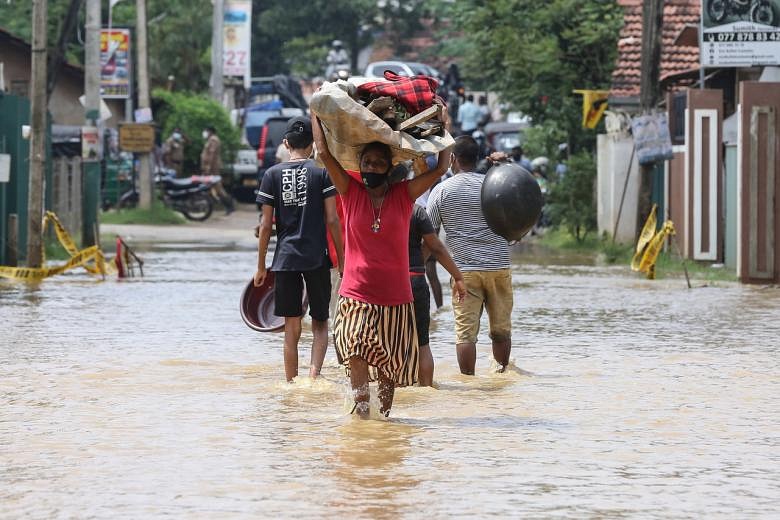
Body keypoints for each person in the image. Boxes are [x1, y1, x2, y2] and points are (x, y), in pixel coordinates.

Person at [311, 108, 455, 418]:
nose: (371, 168)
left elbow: (442, 166)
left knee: (389, 366)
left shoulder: (404, 195)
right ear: (359, 166)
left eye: (378, 163)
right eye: (366, 163)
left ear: (389, 168)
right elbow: (323, 152)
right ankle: (362, 414)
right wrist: (316, 112)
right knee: (357, 350)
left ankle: (382, 420)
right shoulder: (350, 192)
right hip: (356, 294)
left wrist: (445, 124)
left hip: (396, 298)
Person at [254, 116, 344, 382]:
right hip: (317, 258)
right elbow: (332, 219)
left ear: (285, 143)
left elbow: (266, 226)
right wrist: (343, 258)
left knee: (291, 325)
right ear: (313, 146)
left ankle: (291, 383)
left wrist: (261, 266)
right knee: (320, 323)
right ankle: (313, 378)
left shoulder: (271, 175)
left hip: (285, 260)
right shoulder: (322, 173)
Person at [427, 135, 513, 375]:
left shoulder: (442, 190)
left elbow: (429, 234)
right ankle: (502, 375)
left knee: (465, 333)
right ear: (477, 159)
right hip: (499, 266)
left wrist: (415, 267)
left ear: (452, 159)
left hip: (463, 272)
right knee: (501, 330)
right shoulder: (492, 185)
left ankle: (469, 383)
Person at [408, 203, 466, 387]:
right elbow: (436, 247)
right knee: (422, 342)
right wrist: (457, 277)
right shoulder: (416, 211)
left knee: (388, 340)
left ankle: (393, 391)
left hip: (385, 282)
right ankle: (426, 390)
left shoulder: (375, 208)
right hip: (415, 279)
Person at [199, 126, 235, 214]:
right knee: (207, 186)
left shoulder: (213, 140)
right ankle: (208, 206)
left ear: (210, 132)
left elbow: (212, 154)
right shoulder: (211, 140)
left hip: (212, 168)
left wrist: (208, 167)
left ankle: (229, 205)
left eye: (206, 131)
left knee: (217, 187)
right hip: (210, 167)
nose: (205, 133)